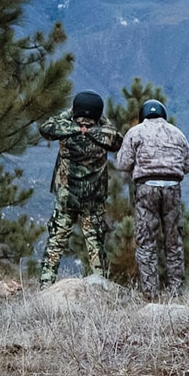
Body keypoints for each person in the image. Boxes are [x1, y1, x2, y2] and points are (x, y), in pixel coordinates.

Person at [37, 91, 122, 287]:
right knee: (95, 244)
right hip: (93, 200)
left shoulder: (66, 131)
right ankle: (101, 286)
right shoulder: (104, 137)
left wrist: (71, 114)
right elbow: (117, 138)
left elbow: (47, 126)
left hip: (67, 198)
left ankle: (46, 285)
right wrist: (100, 119)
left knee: (56, 242)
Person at [115, 100, 189, 299]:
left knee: (146, 241)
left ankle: (150, 293)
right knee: (173, 241)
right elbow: (188, 165)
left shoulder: (135, 132)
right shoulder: (177, 133)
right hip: (172, 188)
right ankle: (176, 292)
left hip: (146, 188)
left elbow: (123, 163)